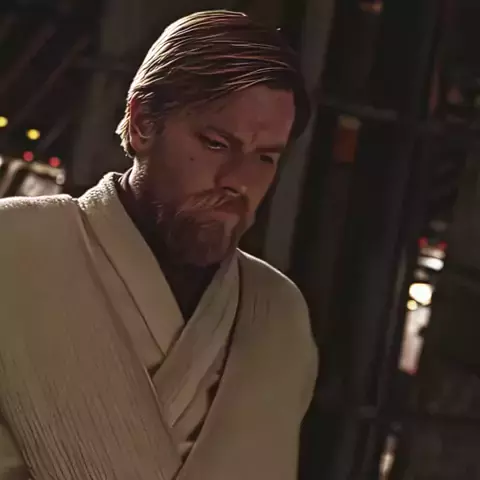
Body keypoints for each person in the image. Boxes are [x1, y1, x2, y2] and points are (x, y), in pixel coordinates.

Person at [0, 10, 317, 480]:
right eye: (216, 144)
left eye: (265, 158)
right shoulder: (14, 248)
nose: (238, 180)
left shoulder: (278, 316)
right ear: (144, 122)